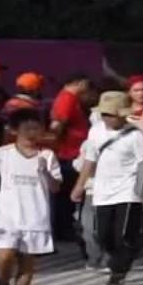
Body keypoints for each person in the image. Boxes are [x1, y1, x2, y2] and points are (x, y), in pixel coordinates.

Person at [74, 91, 143, 285]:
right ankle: (131, 248)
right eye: (104, 114)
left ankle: (118, 272)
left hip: (128, 191)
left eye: (111, 114)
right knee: (103, 236)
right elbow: (90, 159)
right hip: (101, 192)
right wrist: (79, 185)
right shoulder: (95, 132)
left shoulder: (135, 136)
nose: (107, 118)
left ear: (122, 115)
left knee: (123, 235)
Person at [0, 110, 62, 285]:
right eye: (27, 128)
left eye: (36, 128)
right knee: (4, 257)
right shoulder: (1, 154)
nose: (32, 133)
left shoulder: (47, 156)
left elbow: (56, 187)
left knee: (27, 262)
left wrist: (45, 172)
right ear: (15, 130)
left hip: (35, 216)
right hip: (6, 216)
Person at [46, 74, 92, 258]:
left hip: (71, 151)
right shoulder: (67, 98)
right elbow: (58, 124)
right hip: (69, 153)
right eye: (86, 85)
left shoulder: (69, 98)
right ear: (79, 83)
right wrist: (55, 142)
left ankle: (64, 227)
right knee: (66, 194)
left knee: (66, 194)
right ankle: (64, 229)